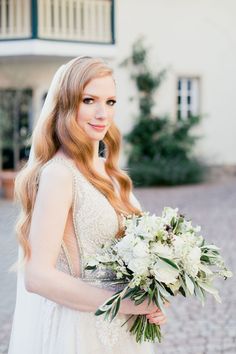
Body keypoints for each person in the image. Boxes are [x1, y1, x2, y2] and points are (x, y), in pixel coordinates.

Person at [8, 56, 169, 354]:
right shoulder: (59, 174)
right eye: (89, 100)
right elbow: (37, 276)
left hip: (123, 330)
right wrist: (128, 303)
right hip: (80, 332)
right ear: (68, 104)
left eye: (110, 102)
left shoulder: (111, 171)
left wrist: (150, 298)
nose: (101, 113)